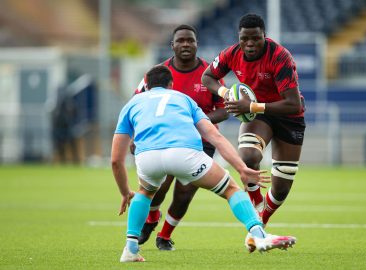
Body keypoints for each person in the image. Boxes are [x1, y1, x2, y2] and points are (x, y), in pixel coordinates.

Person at [112, 65, 296, 262]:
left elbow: (116, 160)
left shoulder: (132, 103)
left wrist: (124, 192)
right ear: (171, 85)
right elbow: (214, 135)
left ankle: (130, 249)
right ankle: (259, 236)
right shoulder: (183, 99)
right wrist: (242, 168)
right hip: (184, 154)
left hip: (148, 157)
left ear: (146, 85)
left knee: (145, 192)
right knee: (231, 189)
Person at [201, 13, 306, 252]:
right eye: (244, 39)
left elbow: (294, 104)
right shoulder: (231, 53)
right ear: (239, 38)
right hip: (258, 116)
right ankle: (256, 212)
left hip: (288, 116)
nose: (249, 44)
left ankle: (260, 225)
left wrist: (251, 106)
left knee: (281, 189)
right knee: (248, 155)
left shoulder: (280, 56)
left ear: (264, 37)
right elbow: (208, 77)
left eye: (255, 39)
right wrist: (225, 93)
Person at [131, 24, 228, 250]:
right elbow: (138, 104)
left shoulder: (210, 74)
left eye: (190, 40)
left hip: (199, 142)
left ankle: (164, 236)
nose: (186, 44)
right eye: (181, 40)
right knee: (158, 190)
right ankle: (152, 218)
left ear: (196, 44)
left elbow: (225, 109)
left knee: (185, 193)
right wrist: (136, 136)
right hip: (162, 140)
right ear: (172, 45)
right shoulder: (157, 73)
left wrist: (198, 123)